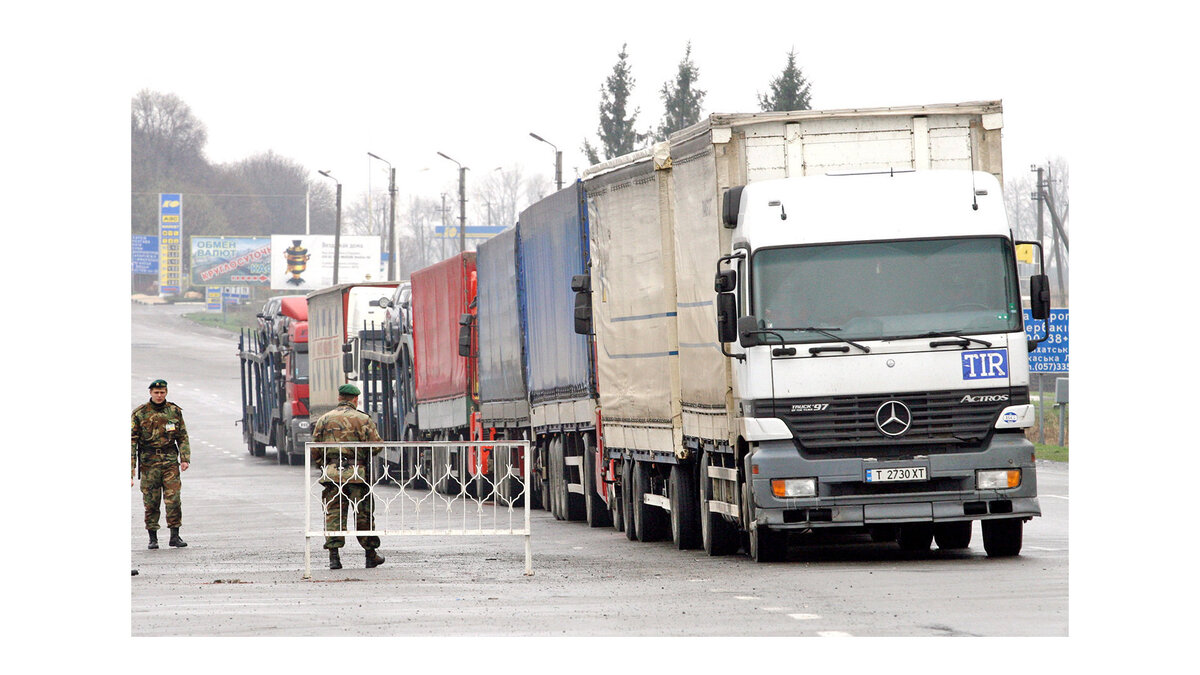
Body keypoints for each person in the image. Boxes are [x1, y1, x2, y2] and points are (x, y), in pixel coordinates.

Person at [312, 383, 385, 570]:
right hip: (357, 474)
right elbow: (376, 446)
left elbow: (316, 449)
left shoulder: (324, 419)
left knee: (333, 514)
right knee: (364, 514)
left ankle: (334, 558)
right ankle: (370, 555)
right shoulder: (363, 419)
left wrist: (324, 465)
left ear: (339, 398)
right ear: (355, 399)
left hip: (332, 474)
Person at [131, 379, 190, 549]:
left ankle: (175, 535)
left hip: (170, 461)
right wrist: (131, 468)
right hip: (149, 464)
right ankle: (153, 537)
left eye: (162, 392)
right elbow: (131, 442)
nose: (159, 395)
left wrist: (185, 458)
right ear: (150, 393)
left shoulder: (174, 411)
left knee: (173, 500)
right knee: (151, 501)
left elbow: (183, 436)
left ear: (166, 392)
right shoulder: (140, 414)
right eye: (156, 393)